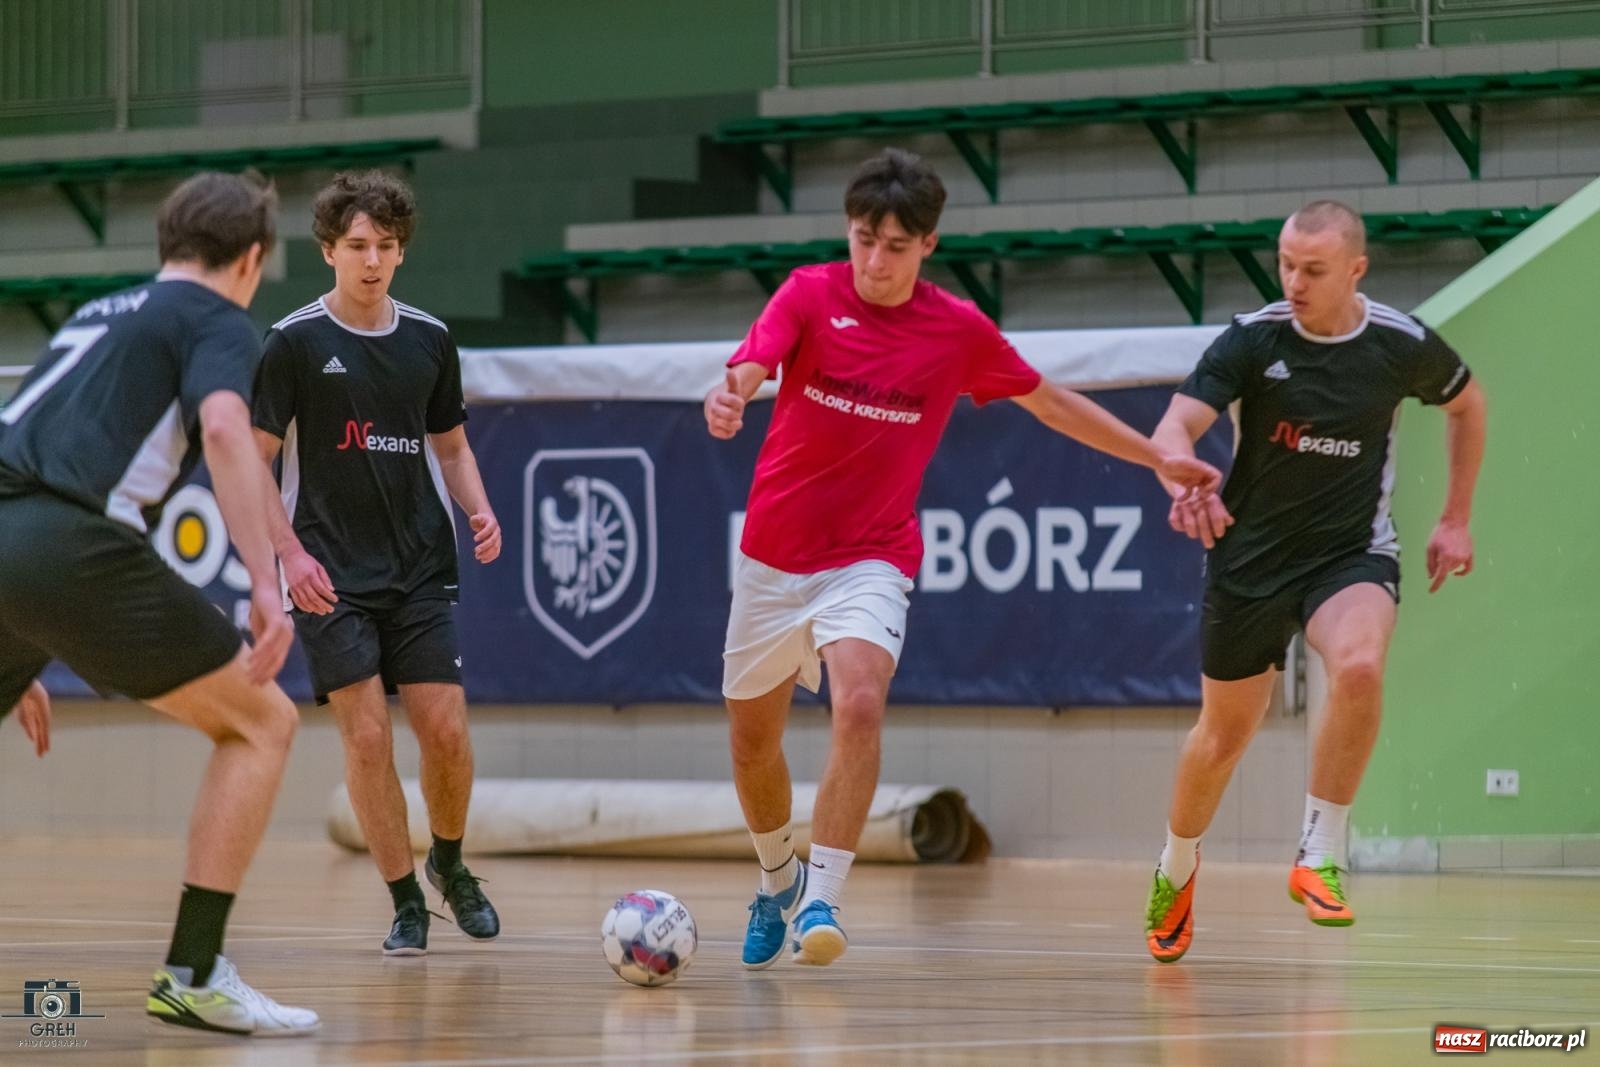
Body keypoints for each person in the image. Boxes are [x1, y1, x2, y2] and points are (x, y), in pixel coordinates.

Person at [703, 148, 1224, 970]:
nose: (875, 261)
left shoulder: (955, 330)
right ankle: (778, 874)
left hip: (869, 556)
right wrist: (732, 390)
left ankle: (824, 899)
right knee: (749, 744)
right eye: (863, 240)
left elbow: (1051, 403)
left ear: (929, 245)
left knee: (862, 705)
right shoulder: (809, 292)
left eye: (895, 246)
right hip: (772, 558)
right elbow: (753, 361)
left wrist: (1155, 459)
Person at [0, 171, 319, 1035]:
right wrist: (264, 580)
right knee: (263, 723)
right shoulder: (217, 319)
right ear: (252, 259)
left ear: (167, 244)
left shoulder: (101, 311)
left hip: (10, 539)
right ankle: (195, 970)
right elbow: (224, 431)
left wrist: (19, 634)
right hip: (68, 544)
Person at [1142, 199, 1486, 962]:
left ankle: (1320, 851)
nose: (1295, 281)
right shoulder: (1253, 337)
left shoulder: (1399, 344)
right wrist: (1178, 470)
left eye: (1314, 270)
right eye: (1286, 265)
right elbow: (1176, 424)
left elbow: (1468, 404)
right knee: (1221, 737)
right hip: (1249, 560)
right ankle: (1175, 868)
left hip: (1350, 553)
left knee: (1359, 666)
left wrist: (1455, 516)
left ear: (1356, 269)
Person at [251, 170, 502, 957]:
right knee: (366, 739)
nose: (371, 260)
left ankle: (451, 868)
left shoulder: (429, 339)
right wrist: (286, 556)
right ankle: (404, 904)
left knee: (447, 732)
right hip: (328, 574)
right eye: (356, 245)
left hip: (420, 564)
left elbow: (452, 447)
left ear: (401, 254)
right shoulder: (292, 343)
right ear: (328, 250)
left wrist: (480, 506)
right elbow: (252, 465)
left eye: (385, 247)